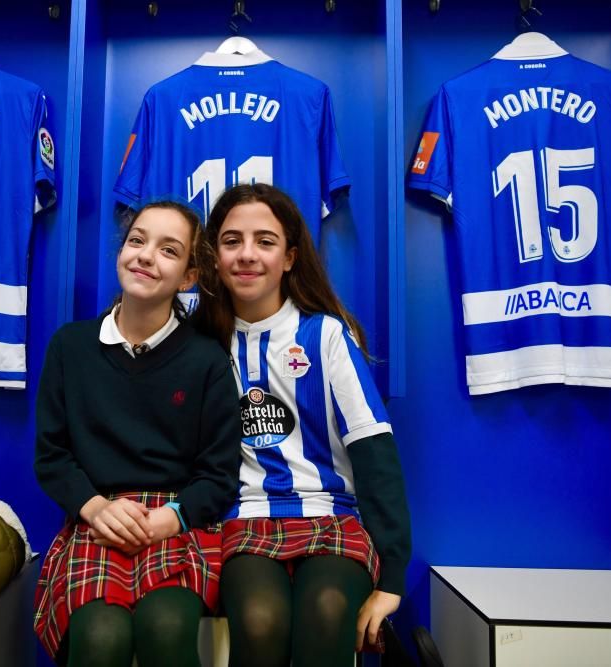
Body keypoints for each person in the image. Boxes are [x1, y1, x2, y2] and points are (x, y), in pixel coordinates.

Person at [194, 183, 412, 667]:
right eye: (232, 241)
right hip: (245, 518)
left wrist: (392, 579)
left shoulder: (326, 334)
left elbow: (374, 451)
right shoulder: (198, 338)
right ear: (212, 256)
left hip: (331, 516)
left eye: (265, 242)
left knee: (329, 611)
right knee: (259, 619)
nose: (247, 255)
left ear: (290, 257)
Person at [33, 201, 242, 667]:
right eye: (137, 240)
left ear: (188, 277)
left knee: (166, 630)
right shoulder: (70, 346)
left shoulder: (206, 360)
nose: (146, 256)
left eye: (168, 250)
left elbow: (219, 474)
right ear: (121, 251)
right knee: (100, 637)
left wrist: (168, 518)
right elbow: (52, 457)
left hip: (176, 523)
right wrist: (96, 508)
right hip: (99, 519)